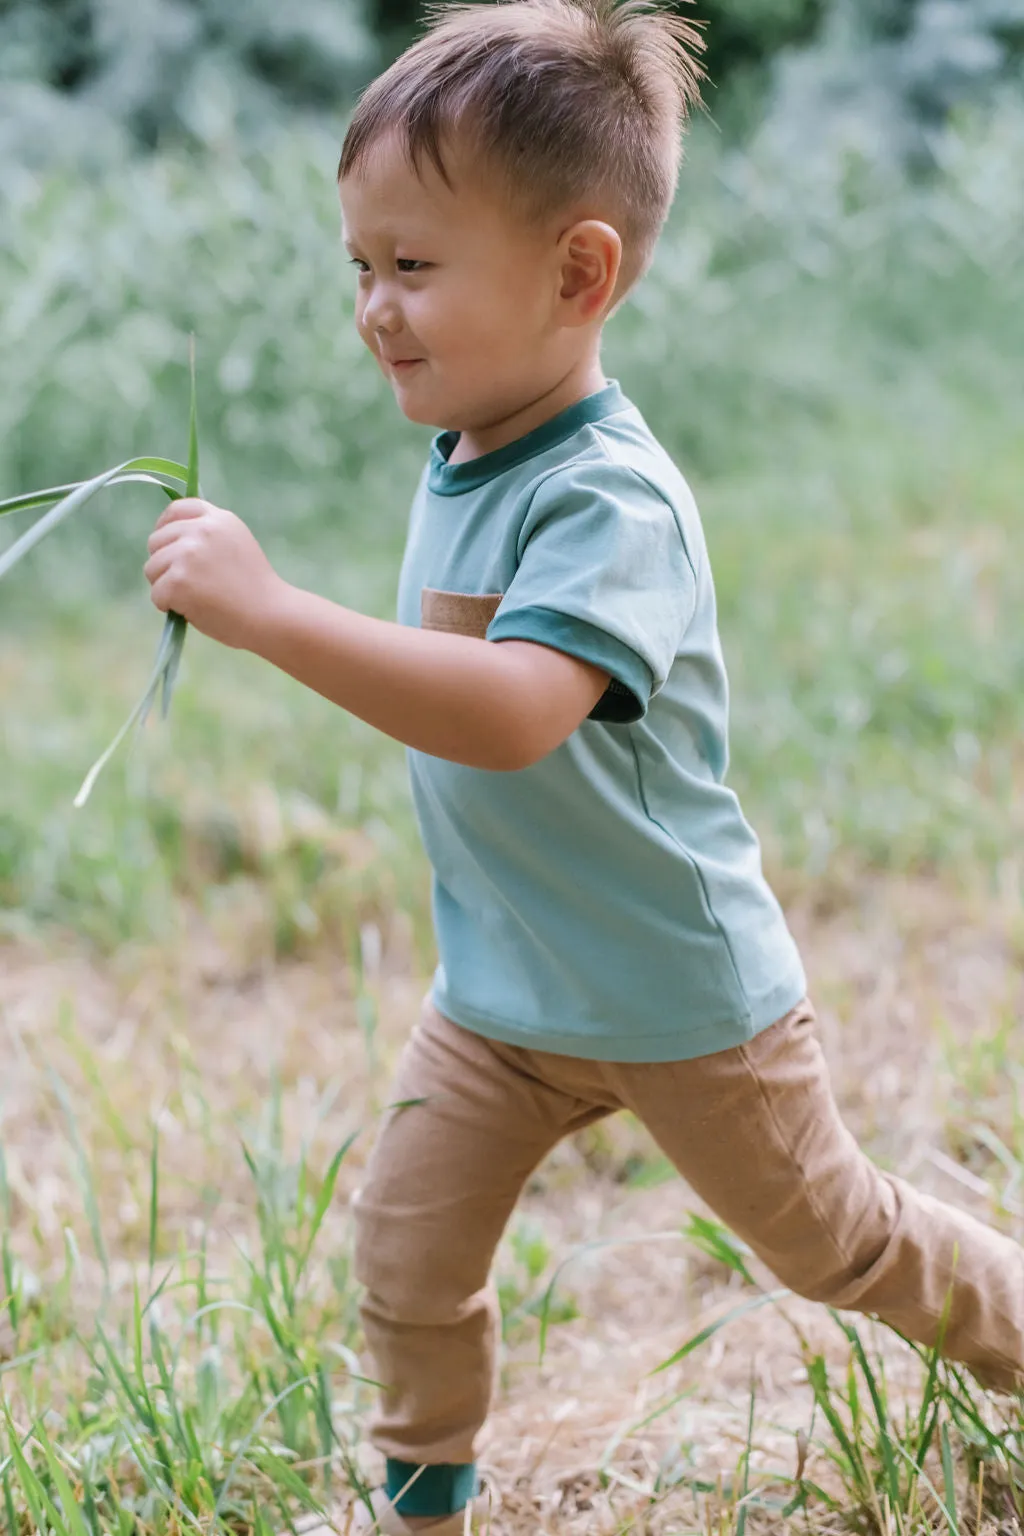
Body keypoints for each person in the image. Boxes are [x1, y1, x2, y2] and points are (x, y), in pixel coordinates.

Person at [143, 0, 1024, 1528]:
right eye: (361, 265)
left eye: (414, 267)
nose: (374, 307)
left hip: (682, 1000)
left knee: (837, 1244)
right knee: (407, 1252)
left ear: (581, 272)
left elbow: (509, 709)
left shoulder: (612, 498)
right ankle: (424, 1508)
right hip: (505, 995)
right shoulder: (471, 448)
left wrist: (274, 615)